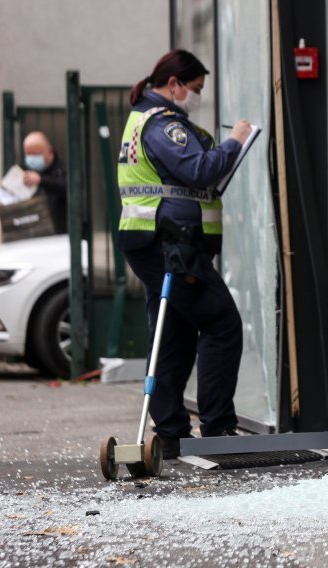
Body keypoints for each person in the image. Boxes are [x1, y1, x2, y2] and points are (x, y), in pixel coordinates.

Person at [117, 49, 253, 459]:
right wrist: (234, 143)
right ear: (173, 84)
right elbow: (197, 170)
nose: (196, 96)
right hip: (169, 244)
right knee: (221, 322)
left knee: (172, 331)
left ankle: (173, 433)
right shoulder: (162, 125)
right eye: (194, 89)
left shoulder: (148, 120)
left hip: (157, 241)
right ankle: (218, 427)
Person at [22, 131, 67, 234]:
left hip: (60, 234)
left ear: (50, 152)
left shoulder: (62, 170)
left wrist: (41, 180)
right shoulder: (26, 172)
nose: (31, 159)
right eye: (28, 154)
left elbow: (64, 186)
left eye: (35, 154)